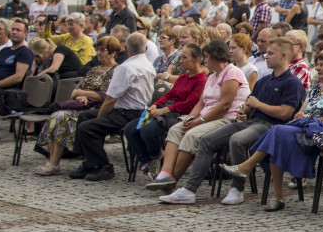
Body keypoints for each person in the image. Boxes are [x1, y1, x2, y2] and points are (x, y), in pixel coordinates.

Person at [158, 37, 303, 204]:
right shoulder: (264, 81)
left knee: (237, 140)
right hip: (250, 122)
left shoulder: (292, 82)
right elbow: (249, 103)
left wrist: (258, 105)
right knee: (206, 141)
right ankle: (189, 190)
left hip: (272, 127)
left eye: (271, 53)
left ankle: (237, 188)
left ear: (284, 56)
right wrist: (244, 111)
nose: (266, 57)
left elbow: (285, 113)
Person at [220, 50, 323, 209]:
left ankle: (251, 171)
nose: (317, 67)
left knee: (277, 132)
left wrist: (308, 119)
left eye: (322, 64)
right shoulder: (315, 88)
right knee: (276, 141)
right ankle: (274, 194)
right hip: (303, 128)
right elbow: (300, 112)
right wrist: (301, 116)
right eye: (317, 64)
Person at [146, 40, 250, 200]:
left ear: (216, 56)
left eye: (207, 57)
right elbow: (201, 102)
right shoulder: (212, 76)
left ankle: (174, 183)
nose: (204, 61)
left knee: (192, 135)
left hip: (227, 118)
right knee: (176, 129)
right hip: (207, 116)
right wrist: (190, 118)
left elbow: (225, 105)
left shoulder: (232, 73)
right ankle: (165, 174)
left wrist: (200, 121)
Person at [66, 33, 155, 182]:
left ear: (125, 49)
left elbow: (110, 99)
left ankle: (103, 166)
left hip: (129, 113)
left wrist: (101, 117)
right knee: (84, 117)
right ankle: (90, 162)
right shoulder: (148, 65)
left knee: (87, 127)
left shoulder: (125, 67)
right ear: (145, 48)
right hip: (141, 111)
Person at [31, 36, 120, 176]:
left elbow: (105, 95)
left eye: (103, 50)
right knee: (56, 116)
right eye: (98, 50)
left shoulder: (116, 70)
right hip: (82, 106)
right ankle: (53, 161)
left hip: (100, 109)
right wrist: (81, 95)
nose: (99, 53)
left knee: (61, 117)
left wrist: (83, 93)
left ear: (113, 52)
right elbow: (75, 92)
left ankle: (54, 163)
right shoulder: (94, 70)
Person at [124, 43, 206, 177]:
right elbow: (169, 95)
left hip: (177, 115)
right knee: (130, 129)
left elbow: (189, 104)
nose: (180, 61)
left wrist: (164, 110)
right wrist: (156, 105)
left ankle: (156, 154)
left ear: (196, 59)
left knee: (147, 130)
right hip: (164, 110)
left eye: (184, 58)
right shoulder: (183, 77)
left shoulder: (201, 81)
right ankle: (148, 160)